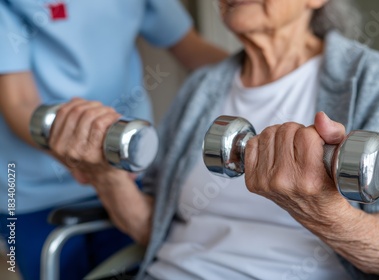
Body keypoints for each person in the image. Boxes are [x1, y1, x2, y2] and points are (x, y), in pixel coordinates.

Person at [45, 0, 379, 279]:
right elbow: (155, 228)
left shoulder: (371, 78)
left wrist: (321, 211)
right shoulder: (202, 86)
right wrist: (105, 175)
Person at [0, 0, 227, 279]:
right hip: (33, 190)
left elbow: (191, 48)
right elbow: (18, 102)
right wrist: (84, 155)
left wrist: (284, 80)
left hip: (129, 168)